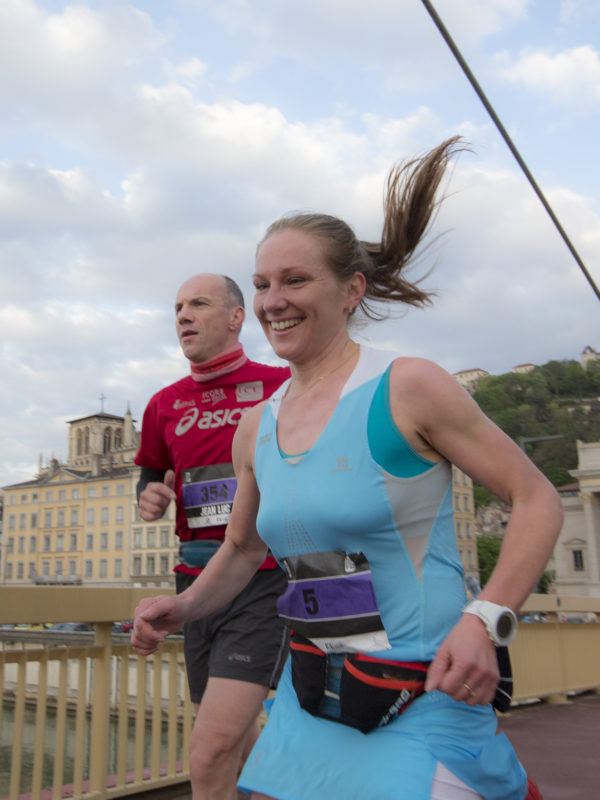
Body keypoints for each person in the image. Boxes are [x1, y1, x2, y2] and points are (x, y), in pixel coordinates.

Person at [132, 138, 563, 800]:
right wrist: (183, 606)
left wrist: (487, 619)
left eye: (295, 280)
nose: (274, 301)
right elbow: (244, 549)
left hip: (422, 691)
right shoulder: (259, 426)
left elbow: (536, 499)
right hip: (314, 695)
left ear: (351, 290)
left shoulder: (407, 387)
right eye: (263, 284)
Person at [134, 273, 290, 800]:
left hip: (264, 578)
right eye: (177, 306)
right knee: (234, 744)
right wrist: (150, 495)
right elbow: (151, 475)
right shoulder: (163, 404)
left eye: (198, 303)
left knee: (209, 752)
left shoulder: (280, 385)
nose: (182, 314)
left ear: (235, 317)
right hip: (195, 583)